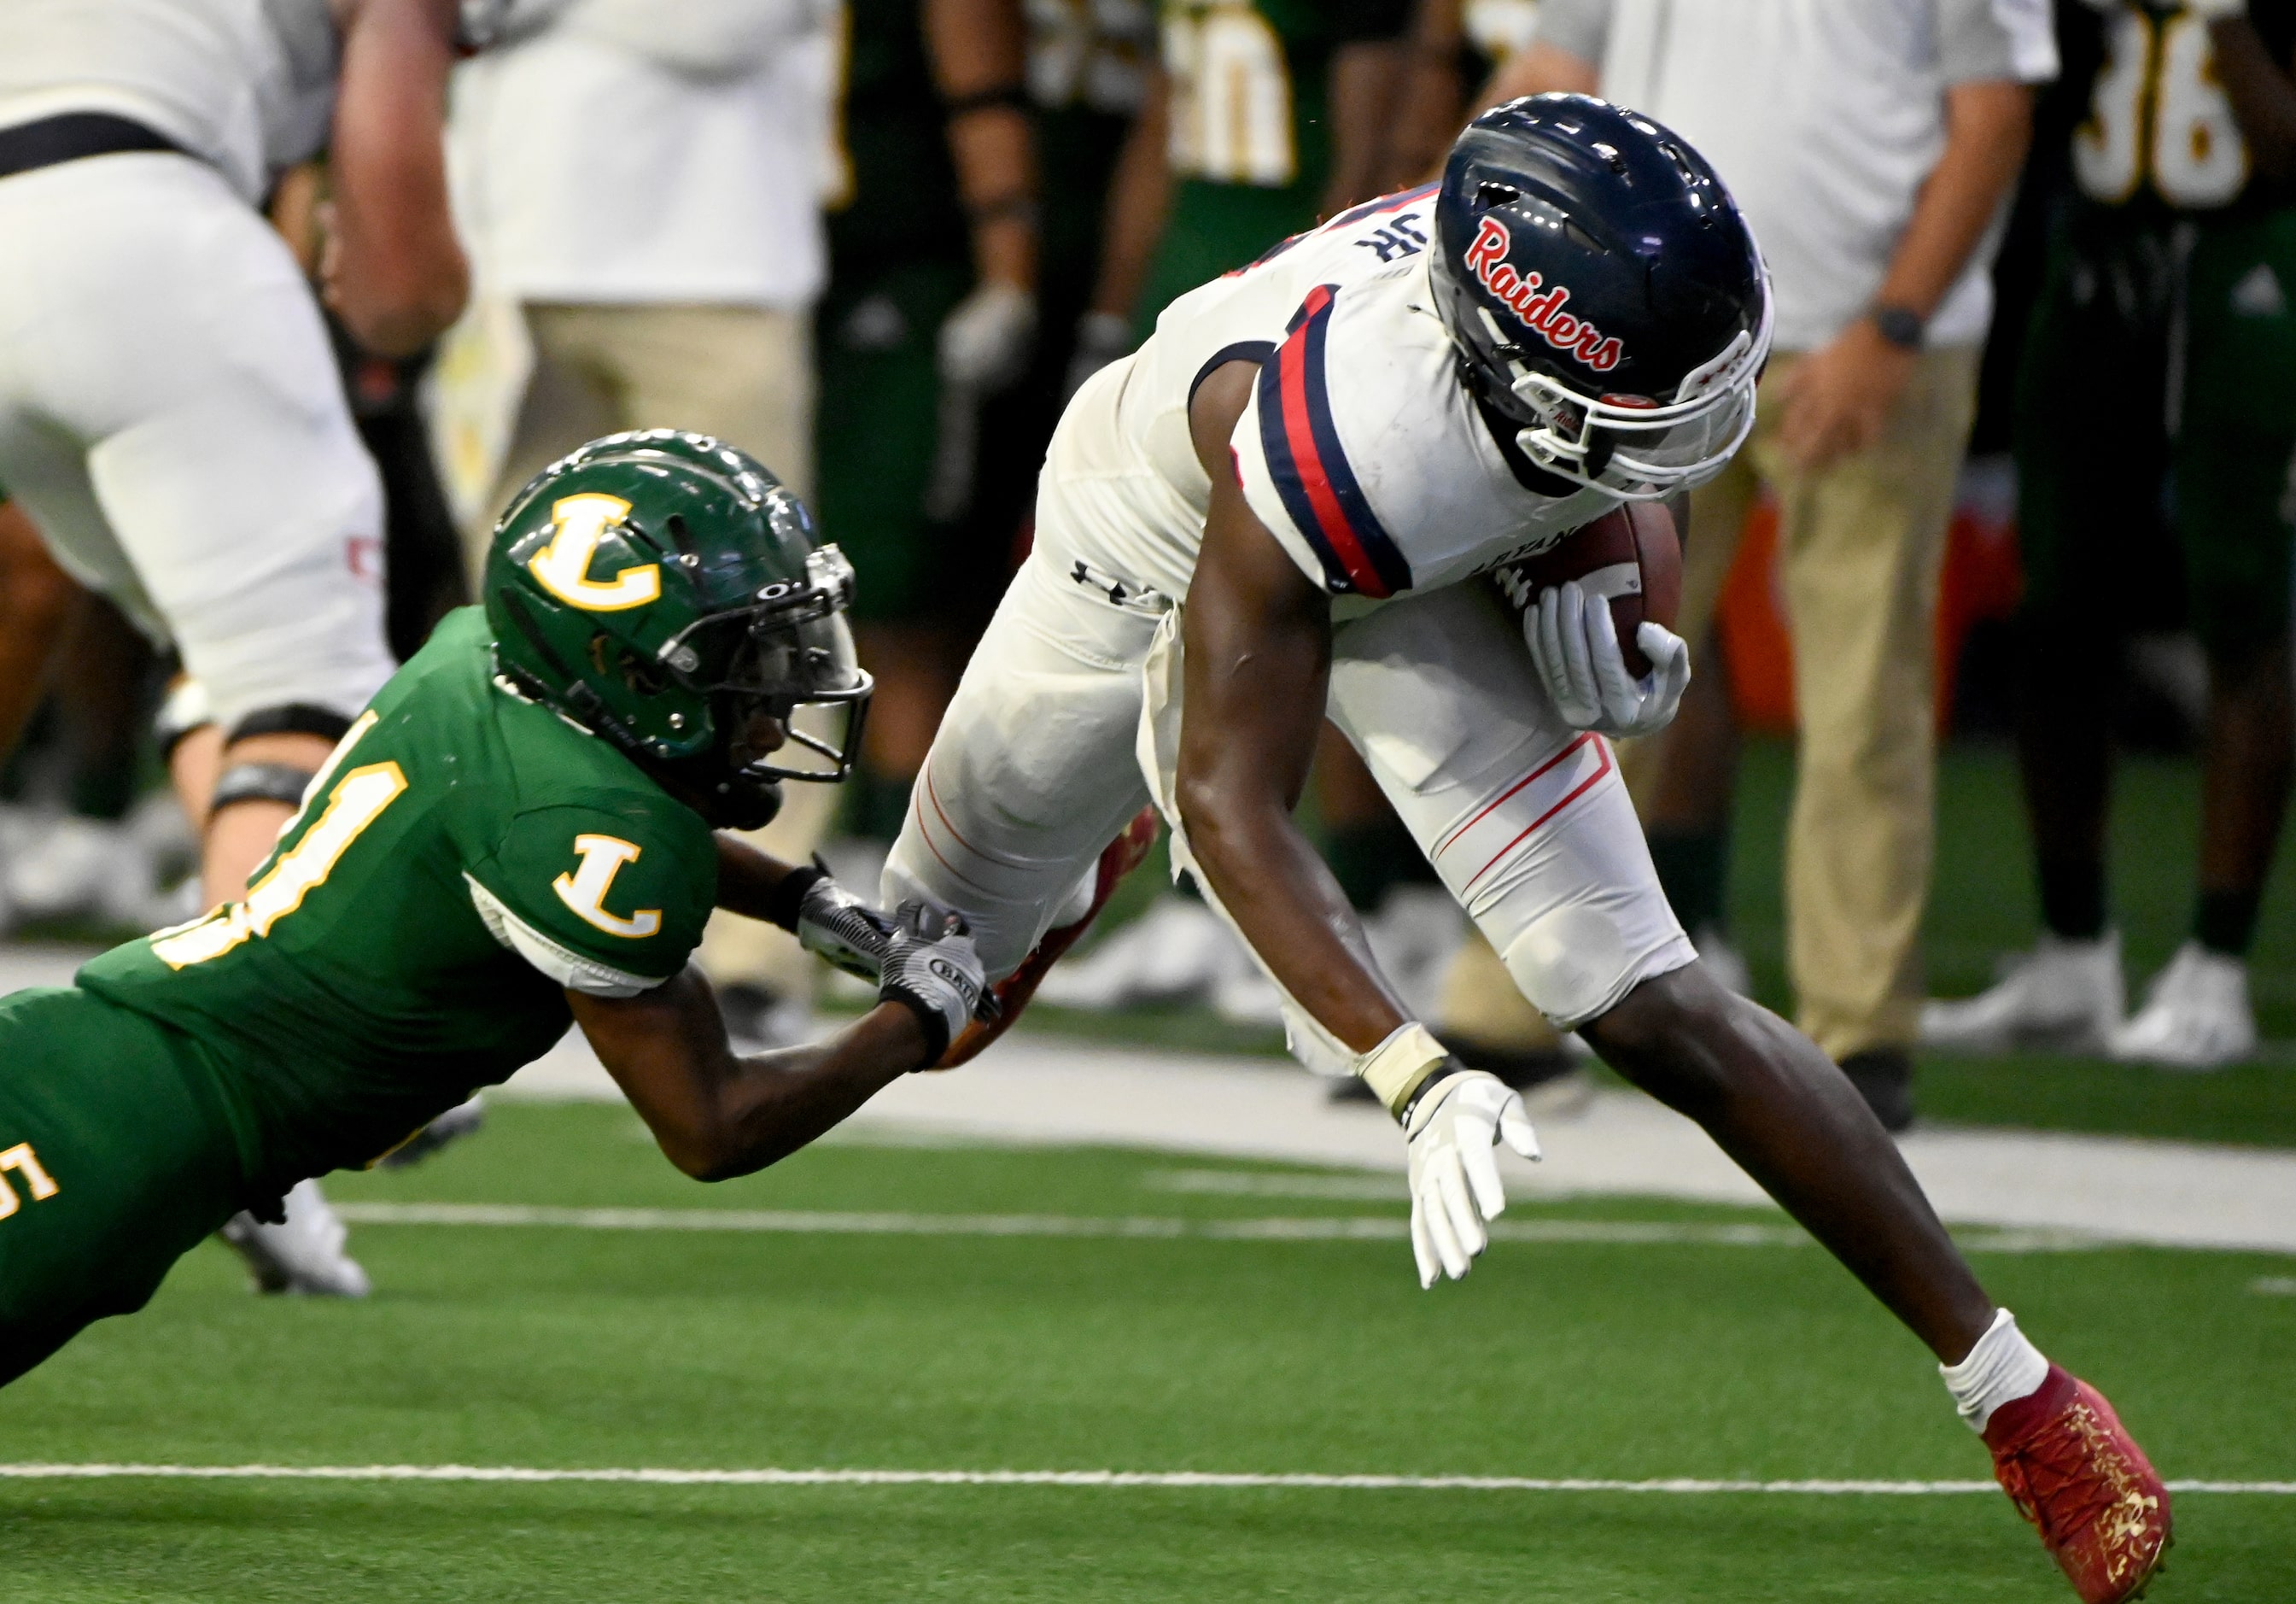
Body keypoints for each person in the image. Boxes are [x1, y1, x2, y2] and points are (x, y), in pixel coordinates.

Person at [885, 99, 2170, 1603]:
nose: (1681, 440)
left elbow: (1633, 437)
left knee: (1644, 991)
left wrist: (1612, 557)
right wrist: (1411, 1072)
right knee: (936, 991)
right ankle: (1095, 837)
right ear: (1513, 364)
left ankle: (2015, 1391)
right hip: (1166, 526)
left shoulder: (1564, 294)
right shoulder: (1338, 427)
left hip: (1419, 530)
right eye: (1640, 417)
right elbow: (1235, 793)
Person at [0, 430, 988, 1389]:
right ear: (623, 667)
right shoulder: (586, 827)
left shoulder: (489, 656)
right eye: (743, 662)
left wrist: (806, 903)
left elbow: (619, 820)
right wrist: (913, 1020)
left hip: (98, 1062)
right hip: (119, 1143)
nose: (777, 704)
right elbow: (713, 1125)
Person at [1488, 0, 2054, 1131]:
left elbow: (1993, 116)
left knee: (1862, 700)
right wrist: (1450, 234)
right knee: (1582, 662)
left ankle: (1856, 1033)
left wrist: (1890, 329)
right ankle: (1511, 997)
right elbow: (1551, 69)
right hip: (1653, 333)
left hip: (1854, 325)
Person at [446, 0, 845, 1046]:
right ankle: (513, 893)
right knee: (510, 615)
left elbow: (721, 27)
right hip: (515, 257)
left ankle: (760, 954)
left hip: (716, 268)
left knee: (765, 619)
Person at [1925, 0, 2296, 1068]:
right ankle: (2071, 950)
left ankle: (2216, 965)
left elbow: (2281, 142)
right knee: (2057, 611)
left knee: (2241, 608)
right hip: (2096, 252)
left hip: (2250, 258)